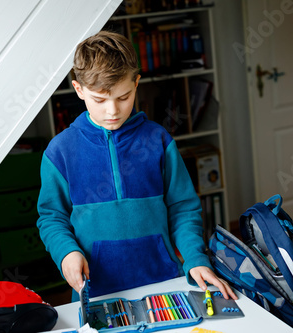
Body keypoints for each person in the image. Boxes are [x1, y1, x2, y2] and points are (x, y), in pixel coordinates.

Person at [37, 30, 237, 301]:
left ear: (136, 84)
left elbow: (183, 207)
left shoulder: (159, 141)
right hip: (97, 292)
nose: (113, 111)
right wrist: (66, 253)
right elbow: (52, 217)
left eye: (123, 97)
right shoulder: (60, 152)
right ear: (79, 89)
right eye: (100, 100)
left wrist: (195, 258)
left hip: (165, 283)